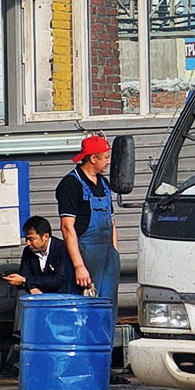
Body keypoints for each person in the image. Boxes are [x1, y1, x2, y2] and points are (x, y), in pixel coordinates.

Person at [0, 216, 78, 379]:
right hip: (36, 295)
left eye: (31, 239)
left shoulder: (61, 249)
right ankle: (17, 356)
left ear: (45, 236)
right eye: (27, 239)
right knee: (22, 297)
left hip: (58, 295)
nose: (28, 243)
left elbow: (59, 279)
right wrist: (30, 286)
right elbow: (24, 276)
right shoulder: (28, 252)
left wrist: (28, 282)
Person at [57, 135, 120, 315]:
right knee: (84, 311)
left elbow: (111, 221)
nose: (109, 162)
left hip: (107, 258)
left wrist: (115, 252)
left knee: (107, 309)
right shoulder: (70, 184)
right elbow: (67, 229)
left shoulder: (104, 183)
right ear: (93, 158)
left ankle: (105, 343)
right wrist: (79, 266)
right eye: (106, 157)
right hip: (85, 256)